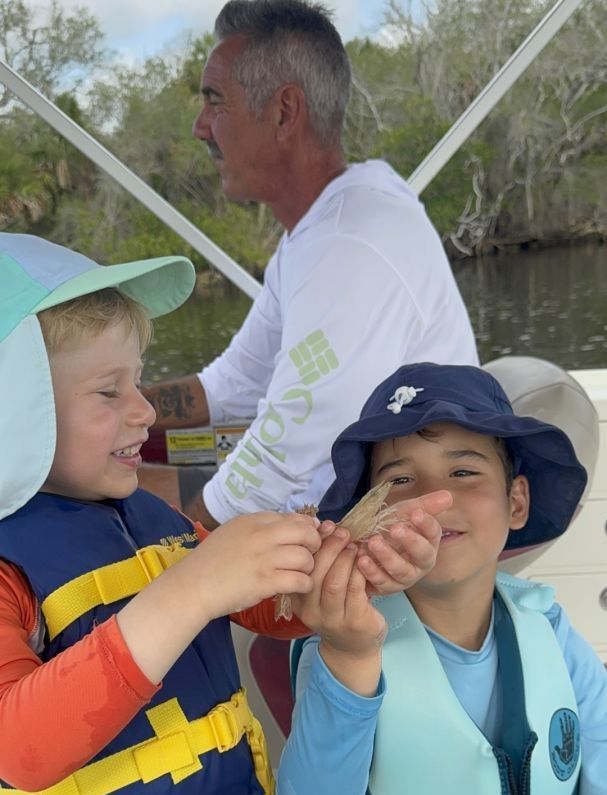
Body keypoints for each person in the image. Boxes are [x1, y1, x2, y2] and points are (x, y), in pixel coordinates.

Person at [0, 235, 448, 795]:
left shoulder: (146, 516)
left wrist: (340, 569)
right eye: (109, 392)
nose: (145, 411)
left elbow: (264, 605)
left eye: (139, 381)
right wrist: (191, 589)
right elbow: (19, 748)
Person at [276, 362, 607, 795]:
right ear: (366, 520)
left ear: (517, 502)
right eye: (399, 482)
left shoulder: (551, 634)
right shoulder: (339, 648)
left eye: (464, 470)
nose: (434, 499)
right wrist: (350, 653)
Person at [140, 0, 479, 530]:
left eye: (215, 102)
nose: (200, 127)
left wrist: (176, 549)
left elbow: (284, 460)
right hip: (345, 499)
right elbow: (234, 383)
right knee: (111, 482)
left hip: (396, 535)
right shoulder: (321, 229)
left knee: (110, 504)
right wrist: (110, 410)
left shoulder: (349, 245)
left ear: (283, 113)